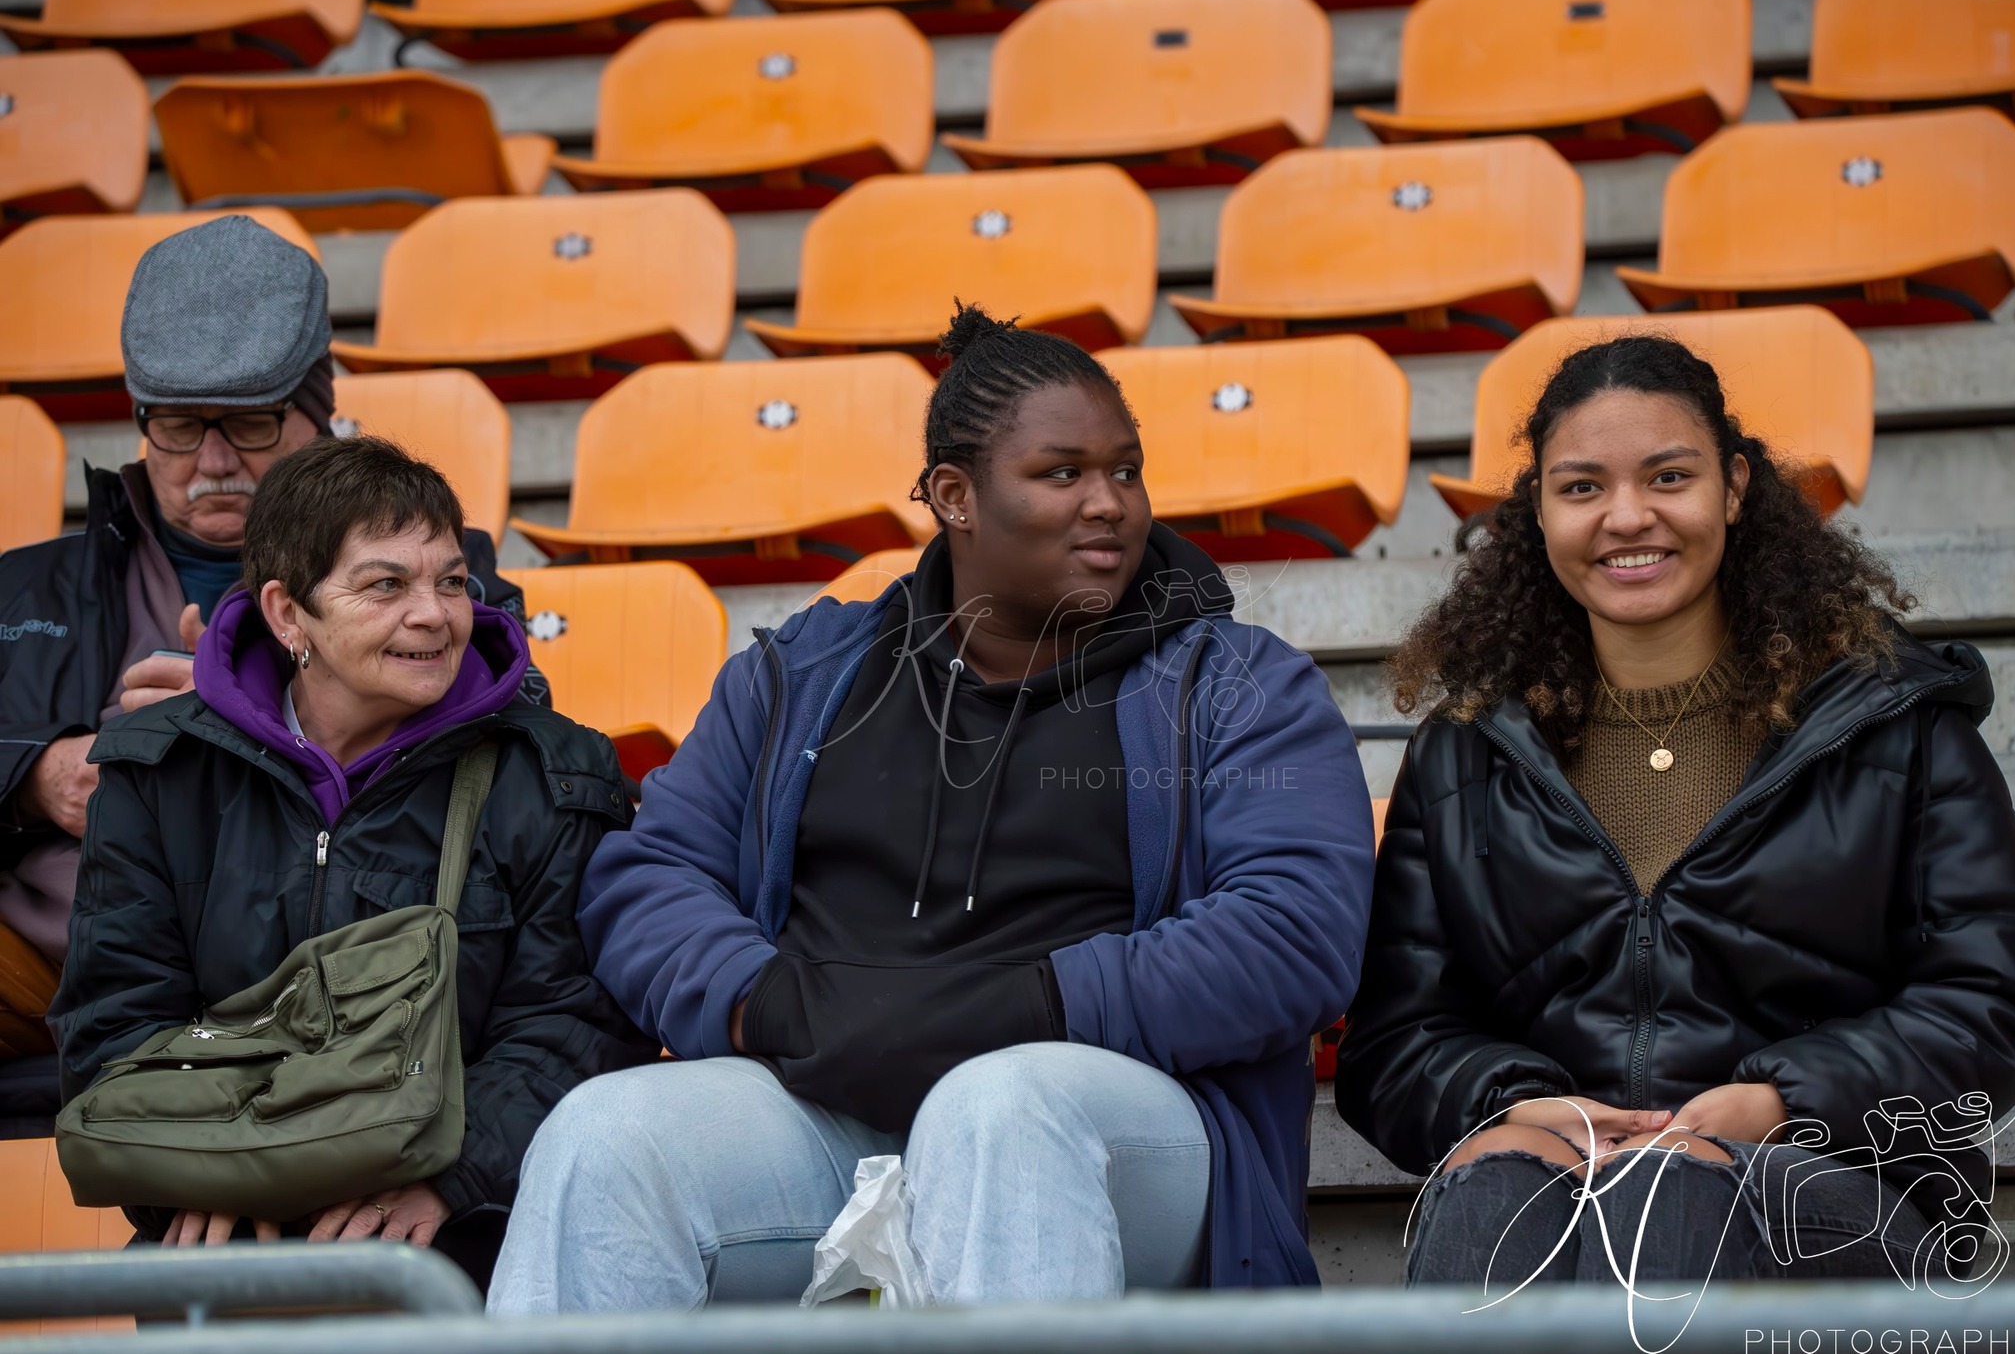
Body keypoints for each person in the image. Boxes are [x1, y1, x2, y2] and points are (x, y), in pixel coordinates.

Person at [488, 306, 1374, 1312]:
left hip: (1105, 1118)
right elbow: (648, 877)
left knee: (996, 1105)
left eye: (1124, 470)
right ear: (955, 495)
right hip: (824, 1101)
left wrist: (1034, 1007)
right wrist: (764, 1001)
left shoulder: (1234, 684)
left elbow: (1293, 931)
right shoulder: (802, 672)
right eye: (1062, 473)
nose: (1111, 505)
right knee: (604, 1135)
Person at [1335, 335, 2015, 1289]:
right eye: (1582, 487)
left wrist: (1781, 1100)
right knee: (1491, 1195)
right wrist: (1519, 1105)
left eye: (1669, 475)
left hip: (1846, 1191)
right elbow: (1394, 1040)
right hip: (1569, 1180)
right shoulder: (1466, 753)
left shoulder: (1891, 725)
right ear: (1538, 512)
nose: (1628, 516)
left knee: (1662, 1194)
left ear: (1736, 486)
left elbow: (1995, 1001)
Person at [47, 436, 653, 1288]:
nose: (435, 614)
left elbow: (576, 1025)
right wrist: (222, 1164)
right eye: (385, 584)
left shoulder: (556, 775)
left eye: (449, 580)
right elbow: (115, 1023)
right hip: (226, 1224)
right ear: (288, 613)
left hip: (467, 1225)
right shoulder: (158, 772)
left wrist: (451, 1175)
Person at [0, 215, 544, 988]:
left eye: (252, 423)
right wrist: (33, 775)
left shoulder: (449, 573)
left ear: (318, 416)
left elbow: (522, 726)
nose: (214, 461)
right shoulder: (22, 587)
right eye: (180, 426)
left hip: (303, 968)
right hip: (38, 963)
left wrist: (264, 714)